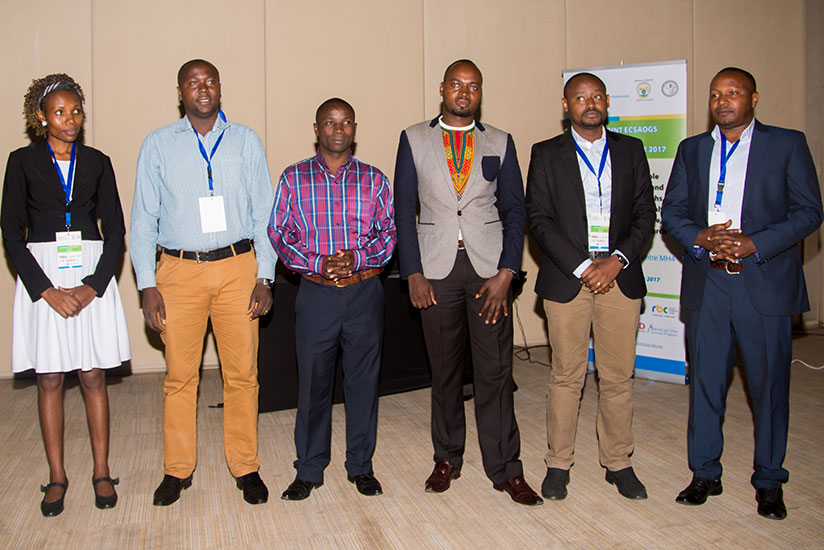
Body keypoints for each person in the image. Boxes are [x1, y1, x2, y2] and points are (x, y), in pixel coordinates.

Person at [662, 67, 823, 520]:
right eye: (716, 94)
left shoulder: (786, 144)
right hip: (708, 282)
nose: (723, 101)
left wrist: (757, 242)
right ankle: (705, 472)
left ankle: (770, 480)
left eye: (733, 93)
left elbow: (810, 211)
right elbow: (671, 211)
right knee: (707, 383)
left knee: (769, 385)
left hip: (763, 281)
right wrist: (700, 235)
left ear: (754, 98)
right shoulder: (692, 149)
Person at [394, 59, 542, 506]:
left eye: (472, 86)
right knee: (445, 372)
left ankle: (505, 468)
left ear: (480, 92)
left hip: (488, 274)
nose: (464, 92)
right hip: (436, 272)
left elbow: (515, 210)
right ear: (442, 89)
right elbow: (404, 211)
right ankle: (447, 458)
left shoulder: (500, 140)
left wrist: (508, 271)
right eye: (456, 85)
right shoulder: (414, 138)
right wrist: (412, 272)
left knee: (496, 372)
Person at [130, 59, 275, 507]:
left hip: (237, 268)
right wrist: (146, 284)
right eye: (193, 83)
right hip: (178, 273)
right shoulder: (157, 145)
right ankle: (177, 470)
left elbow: (263, 214)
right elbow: (142, 219)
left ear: (220, 88)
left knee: (242, 376)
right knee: (179, 377)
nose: (203, 88)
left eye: (210, 81)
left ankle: (245, 466)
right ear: (180, 93)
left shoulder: (246, 140)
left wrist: (265, 274)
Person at [1, 74, 130, 516]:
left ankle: (101, 470)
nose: (70, 119)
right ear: (41, 117)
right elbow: (10, 233)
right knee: (50, 378)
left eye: (76, 110)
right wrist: (45, 291)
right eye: (60, 112)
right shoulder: (21, 162)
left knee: (93, 376)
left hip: (89, 273)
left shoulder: (97, 161)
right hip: (44, 276)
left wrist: (95, 285)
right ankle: (56, 476)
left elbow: (115, 230)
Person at [525, 73, 655, 501]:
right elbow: (539, 220)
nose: (590, 103)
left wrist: (616, 261)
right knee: (567, 376)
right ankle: (558, 463)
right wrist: (584, 266)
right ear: (567, 105)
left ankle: (618, 461)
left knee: (618, 377)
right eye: (580, 97)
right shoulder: (546, 153)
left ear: (607, 102)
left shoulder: (631, 150)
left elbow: (644, 216)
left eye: (597, 95)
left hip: (620, 276)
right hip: (568, 279)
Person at [269, 98, 396, 500]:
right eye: (329, 122)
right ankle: (308, 468)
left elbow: (389, 234)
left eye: (344, 123)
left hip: (363, 293)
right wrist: (319, 263)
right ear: (316, 129)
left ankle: (361, 466)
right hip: (316, 296)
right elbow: (279, 233)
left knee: (363, 384)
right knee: (313, 386)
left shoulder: (375, 179)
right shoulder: (293, 179)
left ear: (354, 129)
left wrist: (356, 258)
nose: (337, 130)